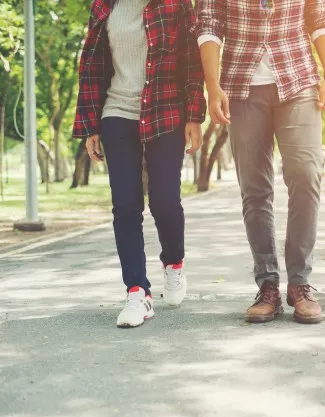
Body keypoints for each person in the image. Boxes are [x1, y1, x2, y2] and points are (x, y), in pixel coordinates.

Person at [195, 0, 325, 324]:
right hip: (241, 83)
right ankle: (268, 285)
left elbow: (318, 13)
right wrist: (212, 84)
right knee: (255, 188)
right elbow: (209, 22)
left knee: (305, 174)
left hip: (298, 78)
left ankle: (300, 283)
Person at [72, 0, 206, 328]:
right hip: (118, 112)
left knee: (164, 201)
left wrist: (194, 115)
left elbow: (192, 60)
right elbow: (92, 65)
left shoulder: (175, 4)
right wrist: (91, 124)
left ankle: (173, 264)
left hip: (166, 110)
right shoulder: (104, 6)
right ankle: (137, 292)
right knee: (126, 206)